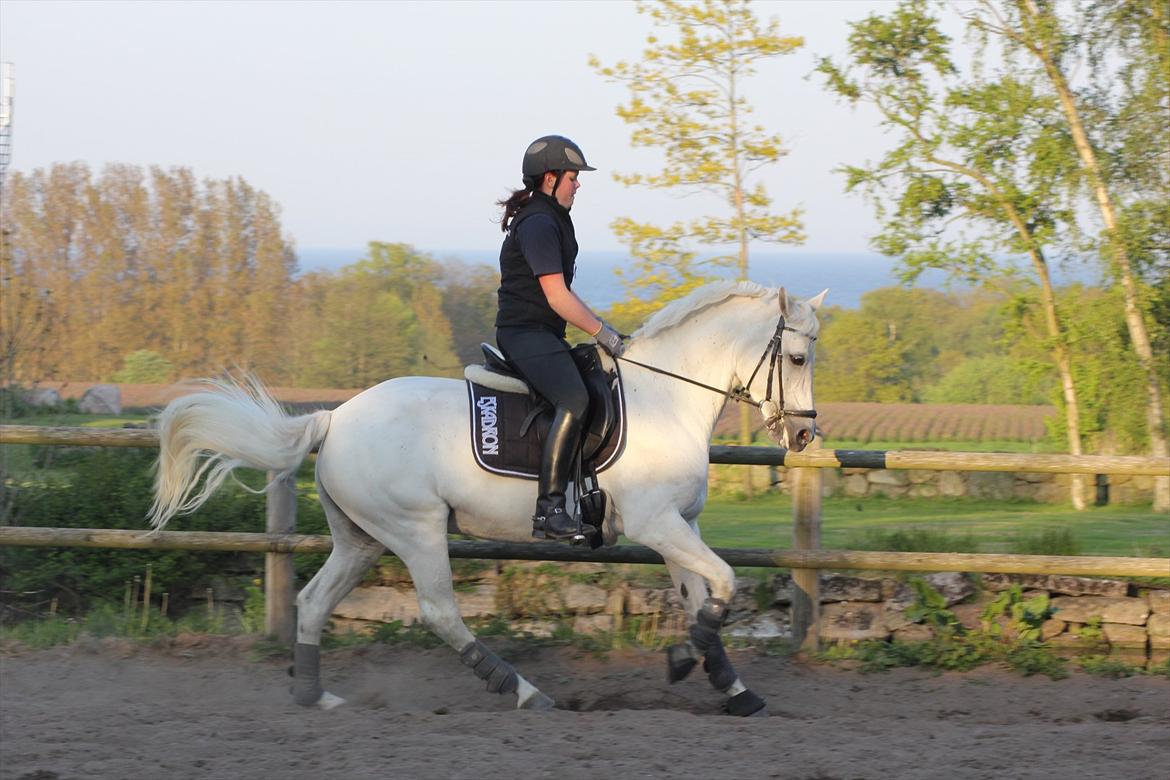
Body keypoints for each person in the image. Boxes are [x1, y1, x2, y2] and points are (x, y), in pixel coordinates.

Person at [494, 135, 625, 541]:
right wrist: (602, 332)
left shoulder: (551, 218)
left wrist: (604, 329)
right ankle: (548, 510)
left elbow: (563, 293)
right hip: (523, 335)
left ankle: (587, 504)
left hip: (543, 333)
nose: (578, 184)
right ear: (550, 178)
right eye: (573, 177)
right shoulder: (537, 223)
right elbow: (556, 296)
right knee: (574, 398)